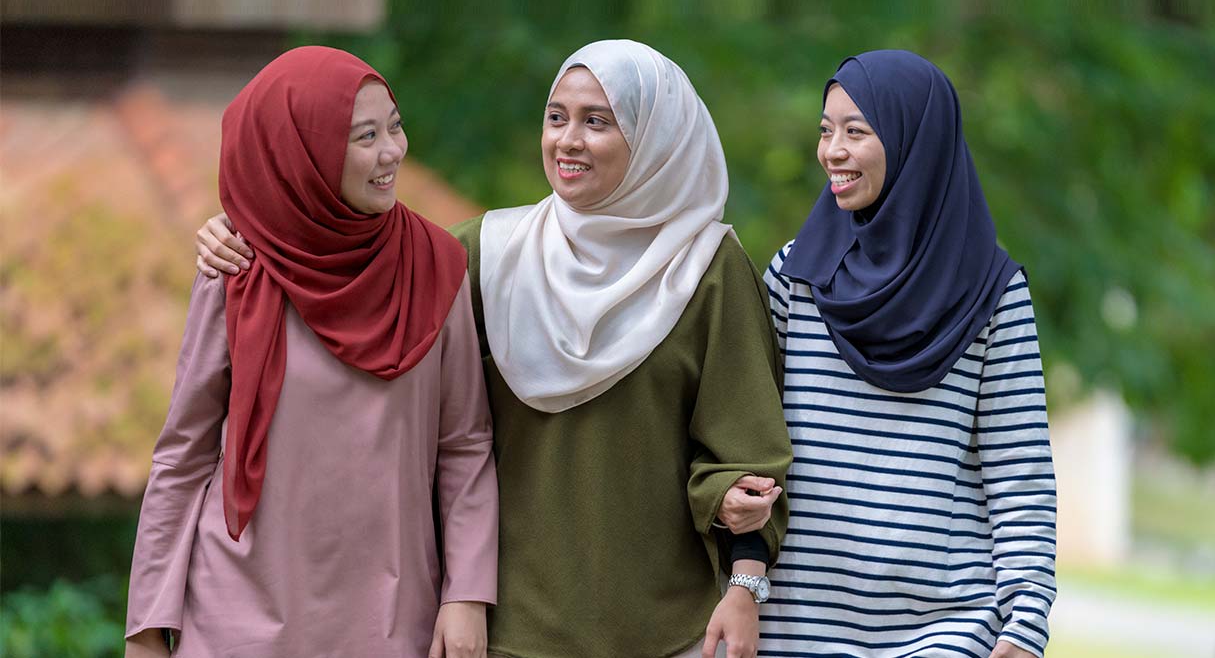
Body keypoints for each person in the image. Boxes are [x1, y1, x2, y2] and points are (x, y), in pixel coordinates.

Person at [195, 40, 792, 658]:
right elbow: (343, 264)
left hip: (665, 632)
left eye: (597, 121)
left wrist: (742, 565)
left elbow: (746, 451)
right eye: (556, 117)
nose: (568, 140)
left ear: (655, 137)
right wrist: (242, 230)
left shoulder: (708, 270)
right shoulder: (488, 255)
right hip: (497, 630)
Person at [127, 47, 498, 658]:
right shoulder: (237, 269)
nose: (392, 152)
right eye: (364, 135)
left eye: (395, 126)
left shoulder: (435, 267)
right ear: (304, 150)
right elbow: (184, 455)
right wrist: (145, 625)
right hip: (236, 618)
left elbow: (464, 444)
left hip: (390, 618)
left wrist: (468, 594)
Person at [742, 50, 1057, 658]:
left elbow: (1018, 471)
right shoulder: (796, 275)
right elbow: (752, 441)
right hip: (795, 624)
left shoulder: (994, 294)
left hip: (945, 627)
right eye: (825, 129)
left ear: (917, 142)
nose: (831, 150)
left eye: (856, 131)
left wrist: (1025, 621)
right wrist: (742, 579)